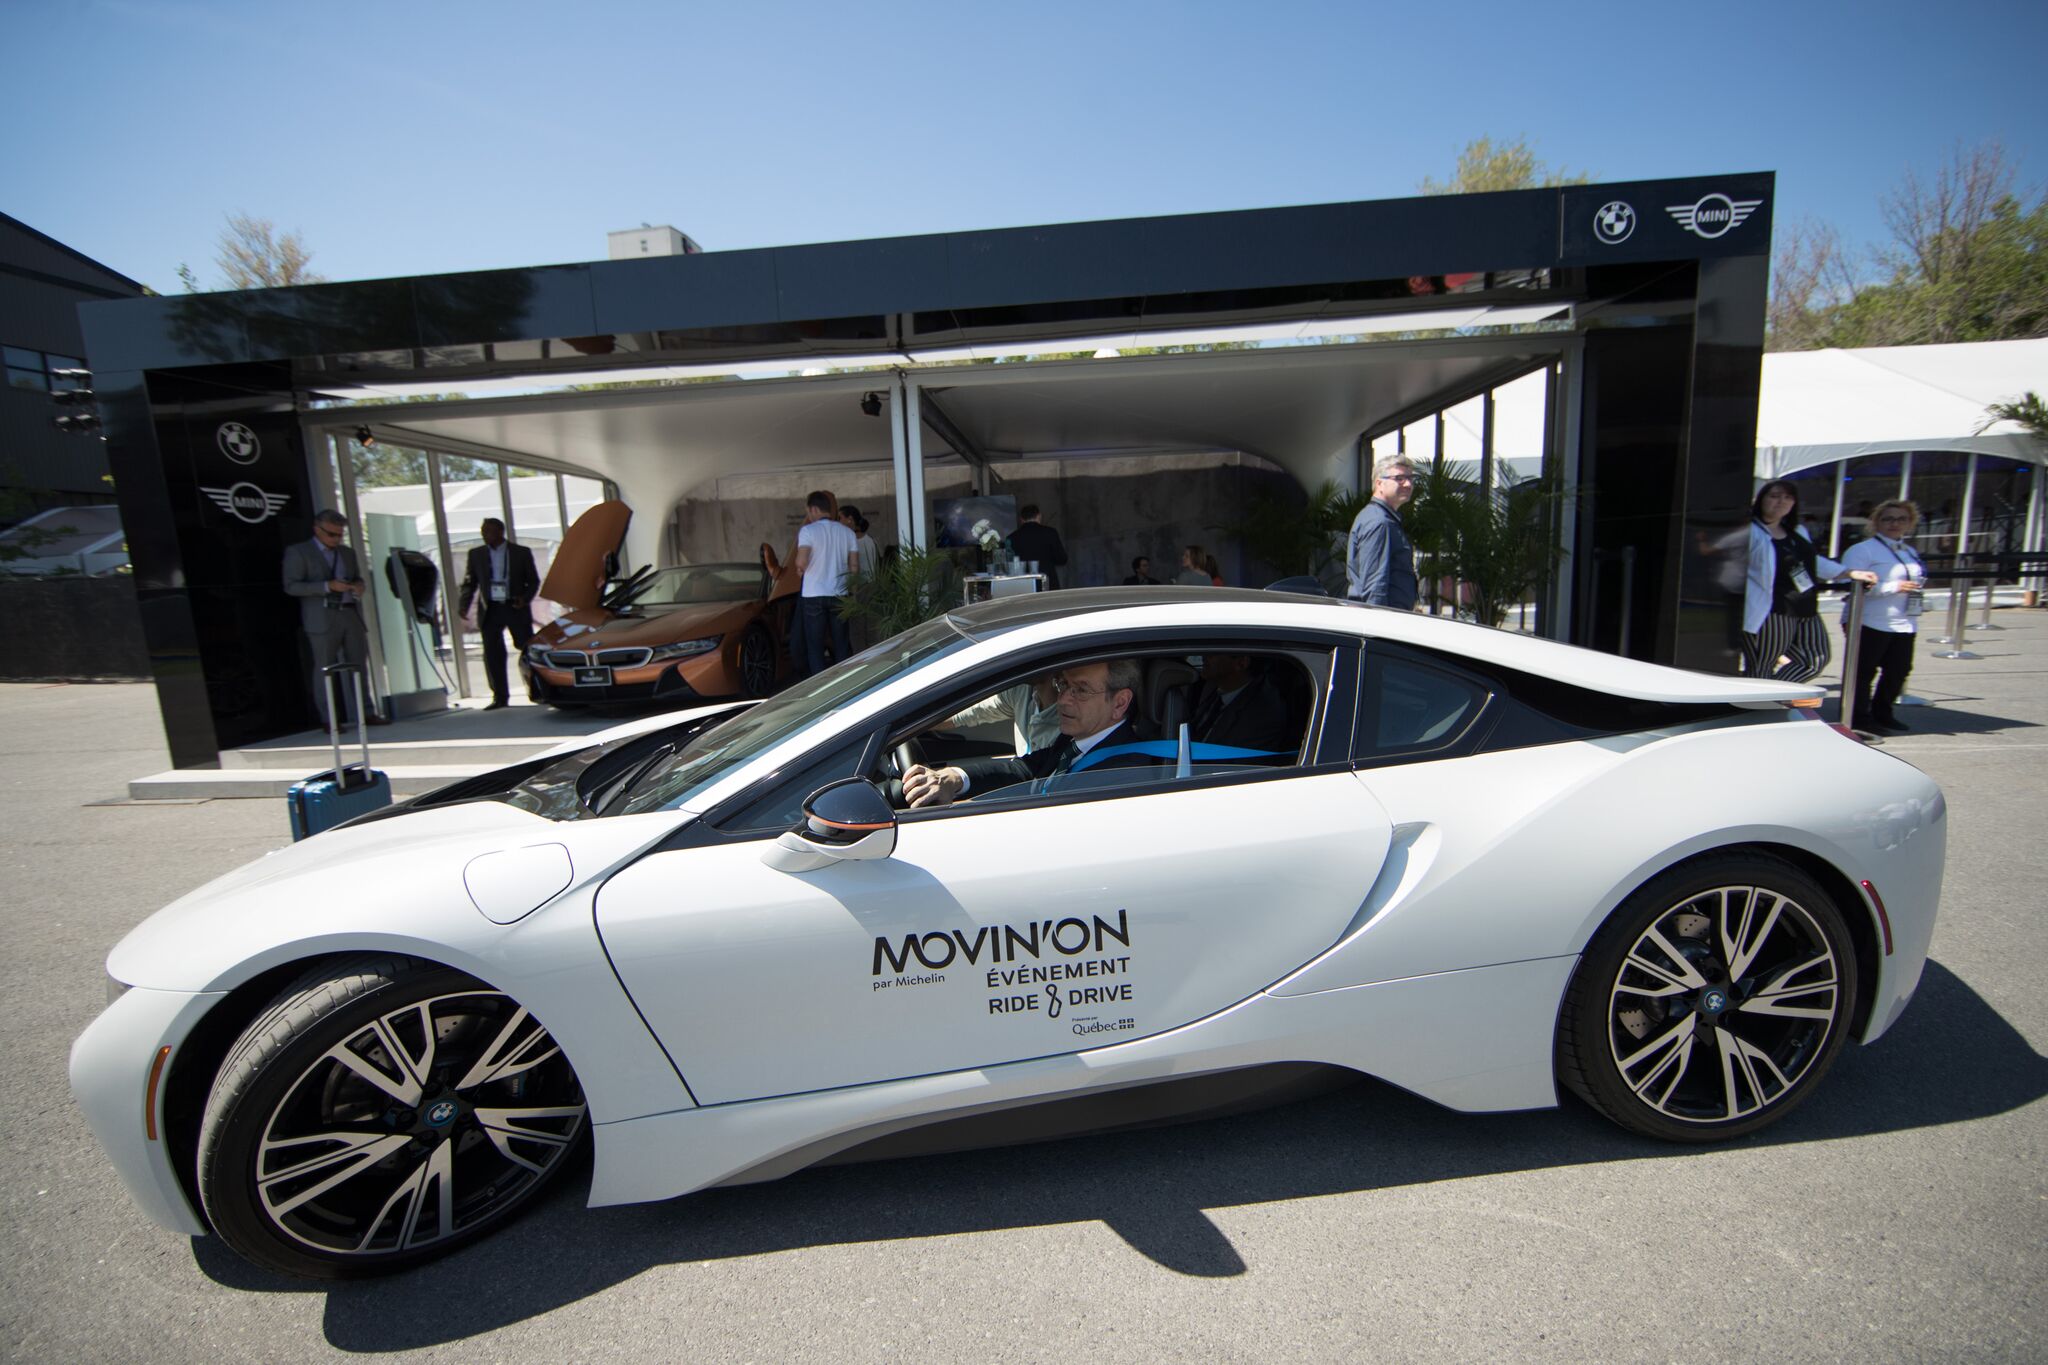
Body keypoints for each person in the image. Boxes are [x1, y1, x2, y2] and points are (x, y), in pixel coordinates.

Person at [902, 660, 1147, 807]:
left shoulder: (1121, 772)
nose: (1063, 699)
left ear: (1119, 703)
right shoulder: (1075, 741)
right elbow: (1026, 770)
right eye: (1063, 686)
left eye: (1080, 690)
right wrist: (953, 779)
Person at [1743, 480, 1876, 681]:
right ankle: (1756, 705)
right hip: (1771, 610)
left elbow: (1813, 562)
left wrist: (1848, 573)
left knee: (1814, 659)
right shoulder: (1750, 531)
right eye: (1774, 496)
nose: (1781, 502)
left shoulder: (1797, 530)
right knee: (1762, 664)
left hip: (1804, 605)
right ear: (1761, 499)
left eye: (1788, 497)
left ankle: (1771, 696)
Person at [282, 509, 384, 726]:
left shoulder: (347, 553)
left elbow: (357, 578)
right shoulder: (299, 552)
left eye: (340, 534)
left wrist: (358, 586)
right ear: (317, 530)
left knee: (358, 665)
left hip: (349, 612)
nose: (336, 539)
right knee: (324, 668)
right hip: (321, 617)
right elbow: (291, 586)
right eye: (331, 534)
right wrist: (326, 586)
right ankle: (329, 719)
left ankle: (366, 712)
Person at [1839, 500, 1927, 734]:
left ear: (1910, 523)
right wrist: (1893, 586)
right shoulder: (1863, 549)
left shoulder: (1908, 551)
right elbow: (1851, 584)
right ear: (1876, 522)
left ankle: (1883, 713)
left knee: (1899, 670)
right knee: (1864, 671)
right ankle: (1858, 716)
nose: (1894, 524)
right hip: (1869, 620)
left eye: (1901, 519)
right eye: (1888, 518)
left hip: (1904, 621)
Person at [457, 517, 541, 710]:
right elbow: (470, 582)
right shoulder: (476, 554)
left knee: (527, 647)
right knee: (492, 653)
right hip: (491, 608)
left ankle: (538, 688)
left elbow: (533, 581)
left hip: (514, 606)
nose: (484, 535)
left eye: (488, 531)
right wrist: (464, 605)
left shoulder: (521, 553)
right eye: (483, 531)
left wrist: (525, 598)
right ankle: (500, 696)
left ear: (500, 532)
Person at [794, 489, 858, 677]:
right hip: (840, 594)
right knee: (841, 644)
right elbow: (854, 567)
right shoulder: (847, 533)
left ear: (814, 509)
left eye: (808, 512)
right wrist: (853, 594)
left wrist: (799, 569)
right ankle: (846, 684)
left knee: (815, 647)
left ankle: (821, 689)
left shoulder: (808, 531)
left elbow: (801, 561)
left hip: (813, 596)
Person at [1346, 455, 1419, 609]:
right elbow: (1375, 585)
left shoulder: (1383, 518)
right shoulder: (1379, 522)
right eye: (1399, 478)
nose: (1407, 484)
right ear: (1379, 483)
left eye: (1410, 478)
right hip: (1384, 620)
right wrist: (1379, 626)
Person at [1186, 653, 1293, 753]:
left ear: (1241, 663)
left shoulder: (1262, 714)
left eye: (1214, 653)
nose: (1204, 655)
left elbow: (1236, 767)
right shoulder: (1212, 687)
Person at [1007, 504, 1068, 589]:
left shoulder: (1012, 537)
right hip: (1048, 583)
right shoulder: (1050, 533)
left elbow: (1008, 563)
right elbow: (1062, 559)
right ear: (1039, 516)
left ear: (1021, 519)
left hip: (1022, 585)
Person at [840, 505, 881, 577]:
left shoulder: (853, 542)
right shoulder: (869, 540)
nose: (837, 522)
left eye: (839, 518)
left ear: (849, 519)